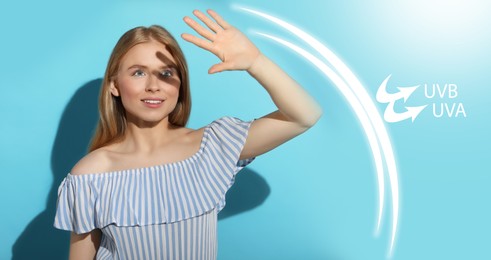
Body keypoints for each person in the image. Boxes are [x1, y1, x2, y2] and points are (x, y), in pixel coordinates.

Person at [54, 9, 322, 260]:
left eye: (166, 73)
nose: (153, 86)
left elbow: (304, 115)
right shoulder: (90, 175)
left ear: (179, 85)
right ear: (114, 85)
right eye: (138, 73)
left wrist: (255, 62)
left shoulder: (213, 145)